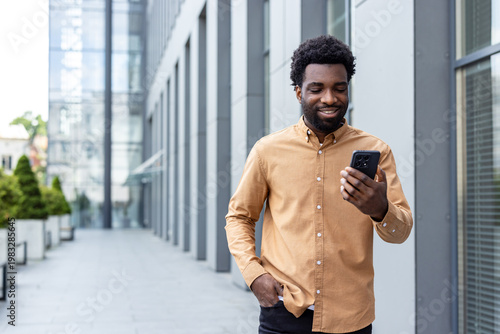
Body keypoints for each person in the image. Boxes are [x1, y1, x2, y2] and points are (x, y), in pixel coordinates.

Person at [225, 35, 413, 334]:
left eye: (339, 88)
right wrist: (254, 274)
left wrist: (380, 209)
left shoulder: (377, 150)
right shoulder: (267, 151)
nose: (329, 98)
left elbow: (401, 232)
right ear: (299, 92)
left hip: (352, 318)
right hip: (284, 312)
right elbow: (239, 217)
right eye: (317, 89)